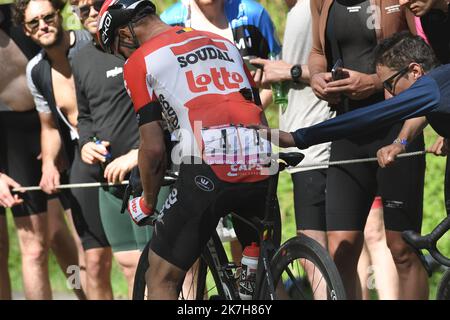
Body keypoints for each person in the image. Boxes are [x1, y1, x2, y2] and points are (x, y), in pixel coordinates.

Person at [97, 0, 273, 299]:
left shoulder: (140, 61)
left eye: (117, 50)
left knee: (160, 274)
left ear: (125, 35)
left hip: (209, 166)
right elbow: (256, 108)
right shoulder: (223, 43)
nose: (122, 58)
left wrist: (148, 203)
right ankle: (251, 277)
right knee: (255, 274)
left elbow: (152, 150)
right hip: (262, 156)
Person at [299, 0, 427, 300]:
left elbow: (423, 56)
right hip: (349, 128)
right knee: (340, 249)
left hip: (397, 125)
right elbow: (318, 53)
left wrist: (372, 82)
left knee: (403, 248)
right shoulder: (322, 1)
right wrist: (316, 76)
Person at [160, 0, 281, 268]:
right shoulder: (170, 19)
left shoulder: (253, 13)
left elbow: (275, 74)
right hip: (195, 145)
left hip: (247, 139)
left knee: (255, 255)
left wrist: (244, 114)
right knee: (192, 254)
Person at [13, 0, 114, 299]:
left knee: (133, 258)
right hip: (80, 161)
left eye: (47, 17)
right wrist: (47, 166)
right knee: (93, 260)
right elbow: (50, 126)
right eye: (34, 22)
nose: (43, 25)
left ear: (60, 15)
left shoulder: (91, 44)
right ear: (27, 31)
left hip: (121, 154)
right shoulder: (36, 71)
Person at [72, 0, 170, 297]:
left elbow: (166, 111)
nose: (90, 14)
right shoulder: (80, 58)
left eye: (95, 6)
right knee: (129, 265)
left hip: (150, 169)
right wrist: (86, 142)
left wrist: (135, 154)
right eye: (82, 9)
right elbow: (85, 115)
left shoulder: (137, 46)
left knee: (164, 264)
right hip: (109, 179)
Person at [0, 2, 85, 300]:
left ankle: (86, 295)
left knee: (67, 237)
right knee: (34, 246)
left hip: (49, 129)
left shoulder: (21, 18)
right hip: (9, 144)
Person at [160, 0, 281, 108]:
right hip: (195, 124)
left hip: (247, 124)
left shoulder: (253, 14)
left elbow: (280, 72)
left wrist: (252, 114)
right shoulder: (169, 22)